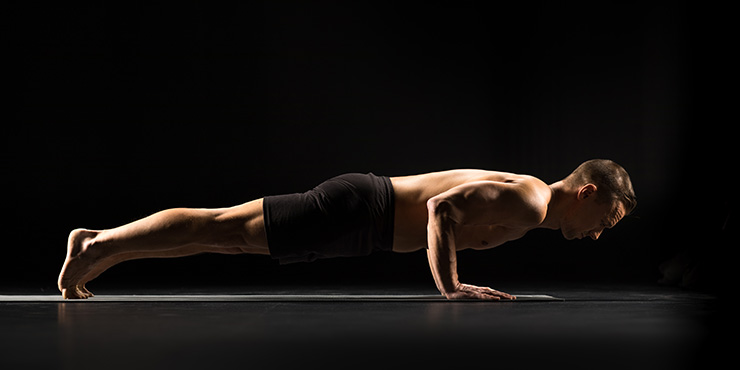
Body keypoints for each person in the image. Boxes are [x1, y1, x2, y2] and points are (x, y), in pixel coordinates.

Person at [58, 159, 636, 300]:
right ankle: (96, 243)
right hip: (364, 208)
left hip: (365, 222)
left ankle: (104, 251)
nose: (599, 234)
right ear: (587, 192)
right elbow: (440, 209)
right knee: (225, 227)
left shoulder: (530, 201)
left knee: (224, 234)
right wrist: (451, 287)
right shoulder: (534, 200)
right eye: (605, 219)